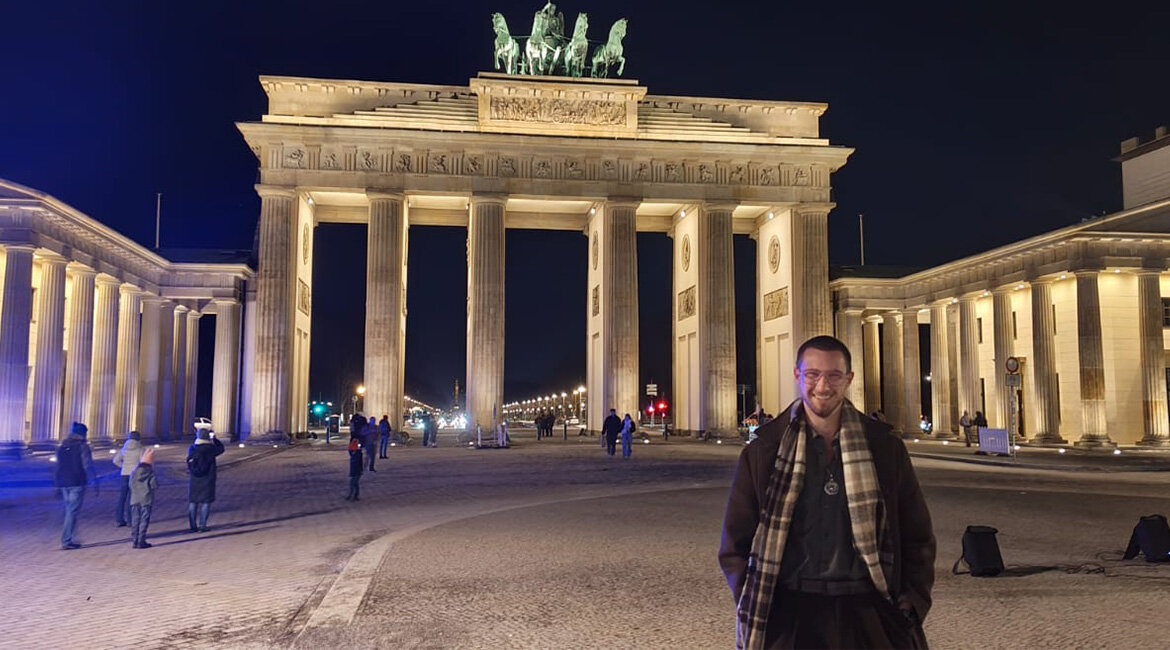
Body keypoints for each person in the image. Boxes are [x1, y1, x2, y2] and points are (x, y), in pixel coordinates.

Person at [719, 335, 935, 649]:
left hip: (869, 612)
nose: (823, 386)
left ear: (848, 379)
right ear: (798, 376)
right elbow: (734, 542)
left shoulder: (885, 449)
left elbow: (918, 535)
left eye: (834, 375)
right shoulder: (763, 452)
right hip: (790, 616)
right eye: (813, 375)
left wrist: (910, 604)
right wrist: (753, 599)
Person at [55, 422, 96, 550]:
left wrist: (57, 484)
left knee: (70, 511)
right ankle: (66, 540)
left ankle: (70, 537)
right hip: (77, 482)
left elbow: (58, 466)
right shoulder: (82, 447)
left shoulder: (62, 446)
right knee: (72, 512)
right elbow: (87, 465)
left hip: (63, 482)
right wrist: (94, 481)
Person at [186, 429, 225, 533]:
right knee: (206, 502)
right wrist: (215, 439)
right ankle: (202, 525)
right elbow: (221, 449)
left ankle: (192, 526)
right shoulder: (211, 449)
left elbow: (189, 460)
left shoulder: (192, 448)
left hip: (195, 479)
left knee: (193, 502)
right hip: (208, 478)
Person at [112, 431, 144, 527]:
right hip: (135, 475)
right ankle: (131, 520)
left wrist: (123, 466)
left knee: (122, 497)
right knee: (132, 498)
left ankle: (119, 519)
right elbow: (142, 463)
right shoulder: (140, 449)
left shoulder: (124, 449)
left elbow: (115, 460)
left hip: (124, 474)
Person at [129, 447, 158, 549]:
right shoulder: (150, 472)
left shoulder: (134, 472)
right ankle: (141, 540)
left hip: (134, 498)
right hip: (146, 498)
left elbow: (130, 485)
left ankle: (134, 540)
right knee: (144, 519)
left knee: (135, 519)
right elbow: (154, 485)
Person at [346, 436, 363, 501]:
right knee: (354, 483)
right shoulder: (355, 453)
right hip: (355, 470)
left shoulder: (356, 454)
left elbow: (359, 463)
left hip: (356, 471)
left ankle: (353, 495)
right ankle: (354, 495)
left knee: (353, 483)